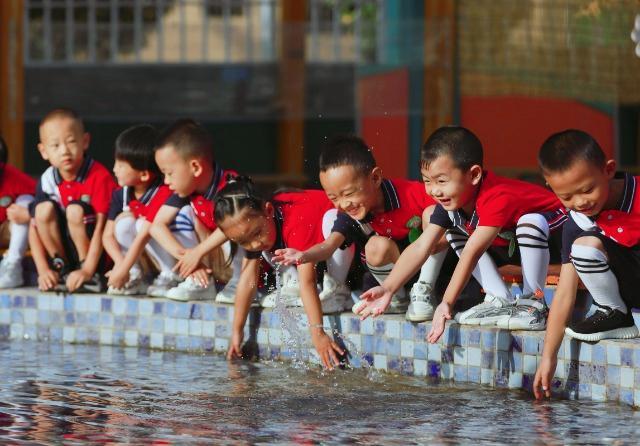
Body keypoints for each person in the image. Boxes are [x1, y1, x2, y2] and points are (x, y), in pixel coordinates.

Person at [356, 126, 566, 343]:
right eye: (427, 181)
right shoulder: (451, 203)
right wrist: (388, 287)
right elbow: (421, 246)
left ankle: (534, 303)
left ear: (474, 175)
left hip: (557, 240)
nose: (433, 191)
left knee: (530, 222)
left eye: (441, 181)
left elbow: (472, 253)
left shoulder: (496, 197)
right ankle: (499, 299)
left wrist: (446, 302)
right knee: (455, 232)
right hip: (516, 247)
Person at [534, 129, 640, 399]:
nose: (580, 202)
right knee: (585, 247)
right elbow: (565, 292)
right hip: (631, 293)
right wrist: (548, 357)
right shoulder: (577, 223)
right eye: (567, 197)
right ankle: (615, 314)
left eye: (587, 190)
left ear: (608, 170)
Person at [299, 135, 443, 321]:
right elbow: (329, 245)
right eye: (333, 198)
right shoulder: (350, 214)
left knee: (436, 213)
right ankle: (396, 299)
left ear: (375, 178)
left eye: (349, 193)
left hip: (430, 274)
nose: (342, 204)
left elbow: (455, 220)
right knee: (375, 246)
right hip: (389, 283)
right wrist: (304, 255)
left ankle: (425, 289)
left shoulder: (413, 194)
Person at [214, 176, 349, 369]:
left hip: (348, 251)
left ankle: (338, 287)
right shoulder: (258, 225)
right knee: (267, 250)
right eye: (243, 241)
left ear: (268, 210)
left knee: (332, 219)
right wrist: (237, 331)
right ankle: (291, 284)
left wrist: (317, 333)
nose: (254, 244)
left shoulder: (295, 219)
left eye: (257, 233)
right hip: (314, 258)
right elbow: (247, 281)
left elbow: (308, 282)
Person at [150, 119, 241, 301]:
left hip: (253, 262)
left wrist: (197, 252)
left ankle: (242, 283)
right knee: (181, 216)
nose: (166, 181)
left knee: (238, 223)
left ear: (195, 167)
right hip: (213, 262)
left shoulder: (232, 184)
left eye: (169, 173)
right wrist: (189, 259)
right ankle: (200, 282)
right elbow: (156, 226)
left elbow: (237, 224)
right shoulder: (187, 189)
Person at [29, 108, 117, 293]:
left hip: (97, 256)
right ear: (43, 151)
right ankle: (62, 270)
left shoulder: (99, 176)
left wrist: (87, 269)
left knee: (75, 210)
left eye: (71, 142)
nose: (65, 151)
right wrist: (43, 270)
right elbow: (34, 226)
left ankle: (88, 274)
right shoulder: (47, 180)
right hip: (66, 249)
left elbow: (103, 226)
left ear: (85, 141)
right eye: (55, 145)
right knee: (42, 210)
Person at [102, 124, 176, 295]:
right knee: (124, 223)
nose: (114, 169)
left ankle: (171, 274)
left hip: (173, 256)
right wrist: (121, 265)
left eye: (121, 165)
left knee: (142, 224)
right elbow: (107, 235)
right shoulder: (121, 193)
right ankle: (136, 274)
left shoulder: (163, 190)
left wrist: (122, 269)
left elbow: (145, 233)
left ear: (143, 175)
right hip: (137, 259)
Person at [0, 135, 36, 288]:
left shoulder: (11, 176)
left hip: (5, 230)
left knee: (26, 201)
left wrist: (27, 213)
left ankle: (13, 266)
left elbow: (44, 200)